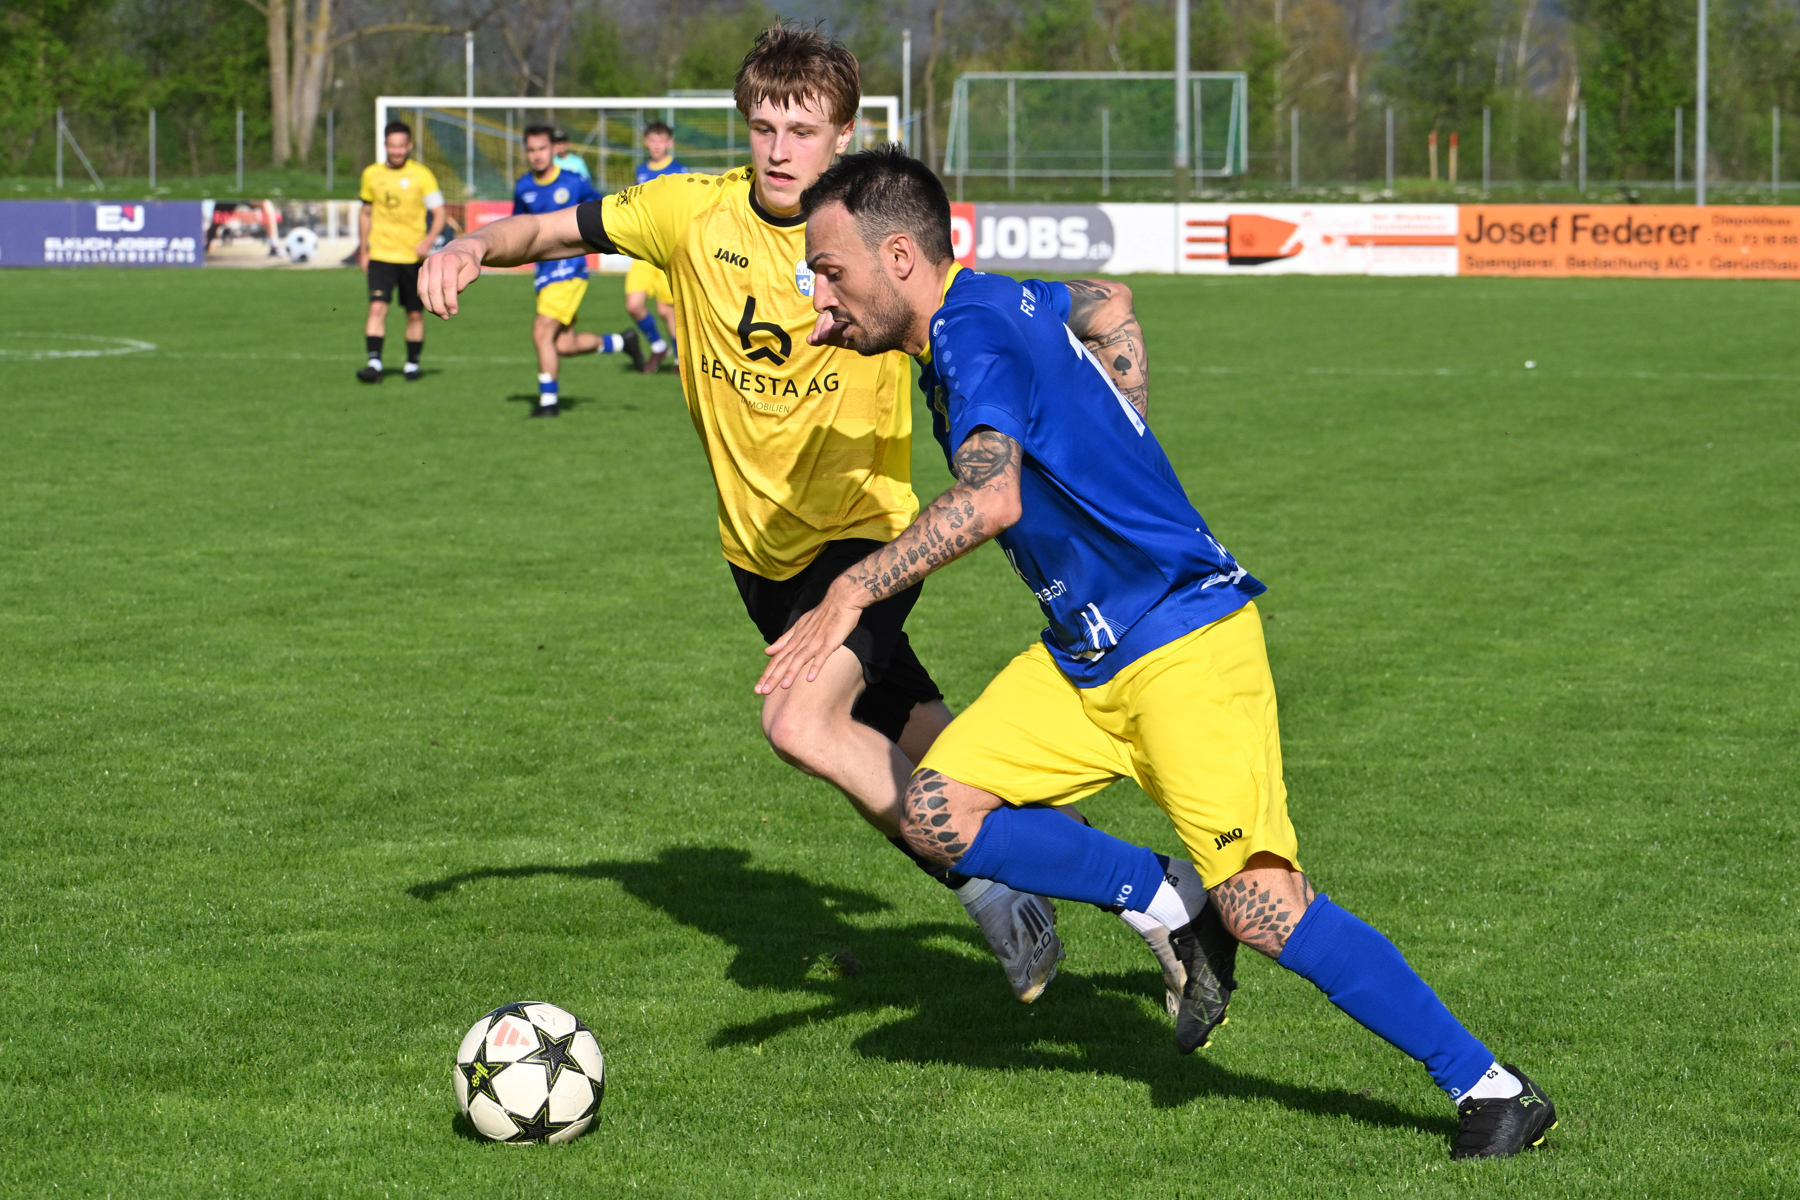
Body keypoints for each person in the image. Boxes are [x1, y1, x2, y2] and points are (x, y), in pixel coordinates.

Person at [759, 145, 1557, 1160]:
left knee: (1263, 906)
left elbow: (990, 497)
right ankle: (1166, 900)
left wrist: (849, 589)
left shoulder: (969, 334)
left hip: (1183, 641)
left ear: (901, 256)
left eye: (830, 271)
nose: (820, 294)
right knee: (937, 815)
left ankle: (1493, 1089)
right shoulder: (1000, 298)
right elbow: (1110, 304)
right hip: (1083, 654)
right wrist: (1126, 415)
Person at [419, 24, 1190, 1007]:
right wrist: (469, 244)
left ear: (844, 135)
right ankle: (1152, 893)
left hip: (865, 535)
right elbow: (548, 232)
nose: (780, 150)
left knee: (799, 721)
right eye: (764, 127)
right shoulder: (686, 212)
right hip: (757, 556)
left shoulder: (873, 243)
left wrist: (1110, 389)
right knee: (930, 753)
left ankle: (1013, 893)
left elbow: (1016, 315)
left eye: (804, 130)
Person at [512, 124, 646, 417]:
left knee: (541, 331)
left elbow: (603, 211)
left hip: (569, 269)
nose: (536, 155)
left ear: (553, 149)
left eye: (542, 148)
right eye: (531, 150)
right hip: (543, 274)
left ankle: (548, 402)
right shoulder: (523, 187)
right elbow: (516, 227)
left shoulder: (573, 182)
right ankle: (622, 342)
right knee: (563, 344)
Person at [357, 121, 446, 383]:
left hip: (413, 258)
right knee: (376, 308)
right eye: (392, 146)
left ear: (409, 146)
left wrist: (428, 240)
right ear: (385, 145)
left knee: (415, 313)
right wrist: (363, 249)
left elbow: (440, 212)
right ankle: (374, 364)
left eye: (401, 146)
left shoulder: (422, 175)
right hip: (381, 255)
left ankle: (412, 364)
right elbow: (365, 213)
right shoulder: (371, 174)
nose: (396, 151)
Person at [624, 121, 686, 374]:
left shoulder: (679, 171)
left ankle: (680, 359)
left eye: (661, 140)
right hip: (643, 251)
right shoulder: (640, 171)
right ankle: (658, 346)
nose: (656, 145)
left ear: (669, 143)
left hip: (668, 250)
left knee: (665, 309)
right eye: (652, 140)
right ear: (646, 142)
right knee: (633, 305)